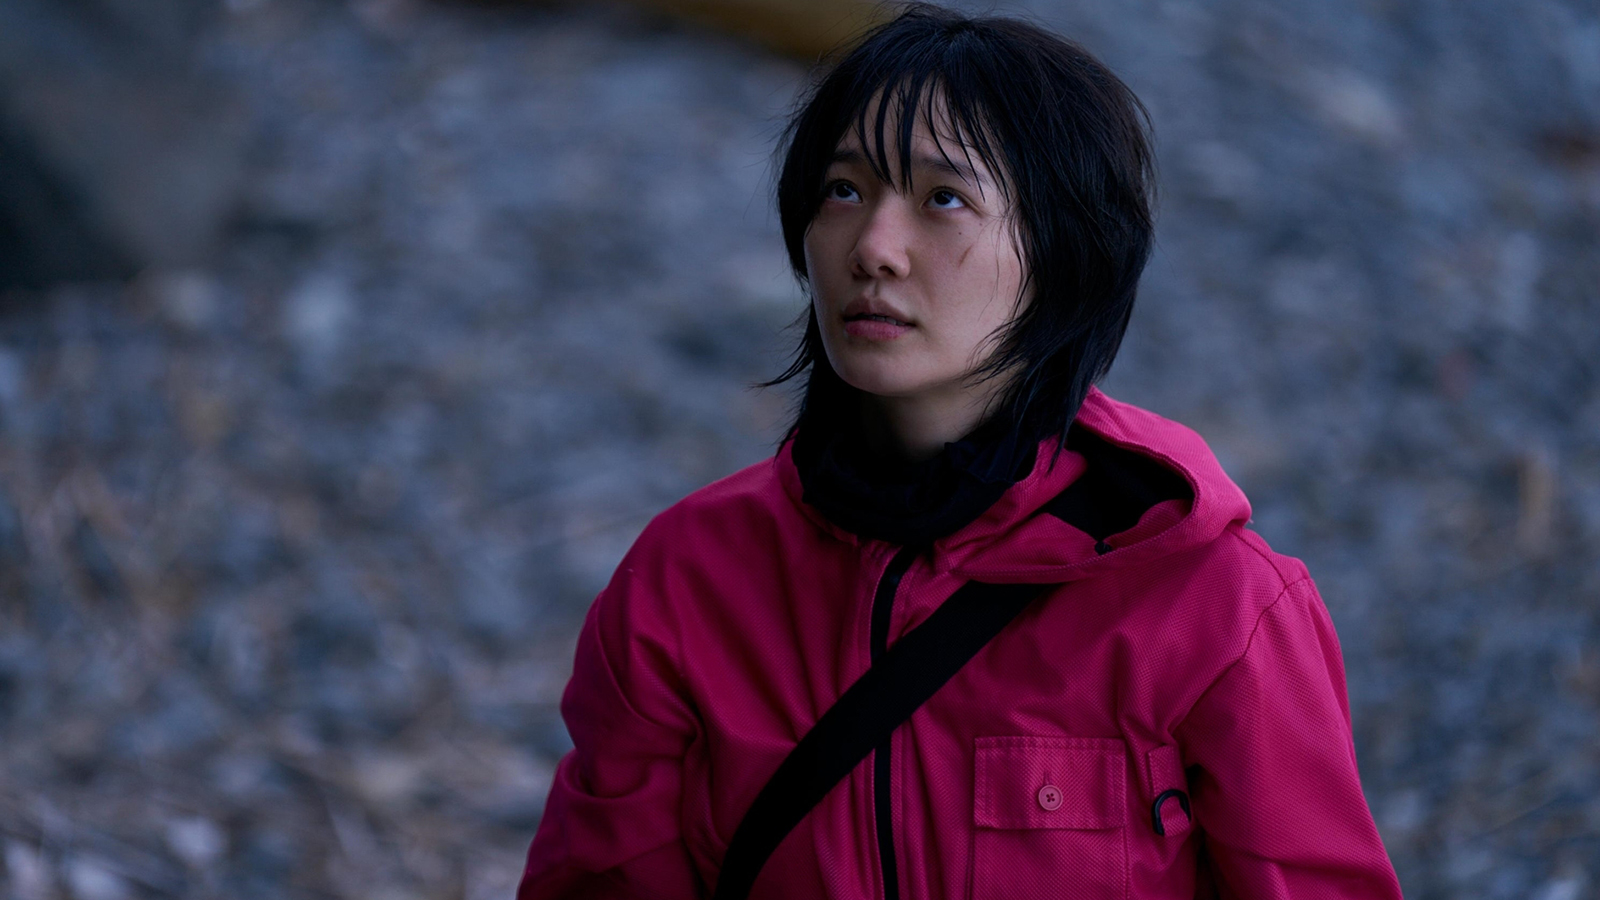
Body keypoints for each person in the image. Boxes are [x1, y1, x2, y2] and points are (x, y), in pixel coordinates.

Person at [519, 5, 1403, 898]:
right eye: (843, 190)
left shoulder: (1216, 606)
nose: (874, 249)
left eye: (944, 199)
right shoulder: (686, 581)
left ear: (1065, 253)